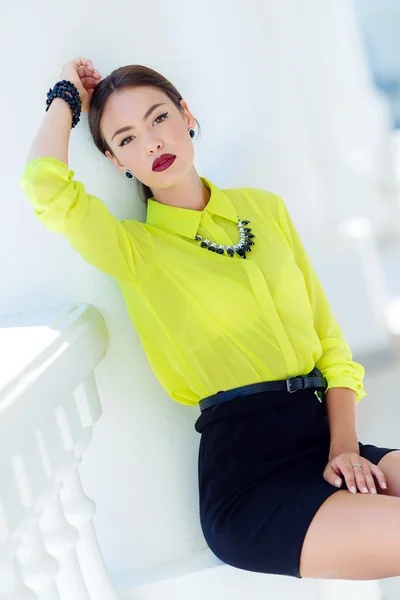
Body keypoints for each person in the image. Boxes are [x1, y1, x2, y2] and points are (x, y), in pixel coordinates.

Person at [20, 56, 400, 580]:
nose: (151, 143)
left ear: (186, 114)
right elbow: (46, 189)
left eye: (157, 119)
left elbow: (332, 350)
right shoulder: (137, 251)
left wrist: (345, 449)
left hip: (327, 440)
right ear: (115, 162)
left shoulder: (264, 210)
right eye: (126, 139)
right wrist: (65, 99)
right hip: (251, 478)